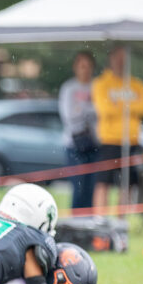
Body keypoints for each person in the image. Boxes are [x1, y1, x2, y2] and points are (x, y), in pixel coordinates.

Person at [92, 46, 143, 211]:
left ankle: (121, 219)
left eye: (124, 59)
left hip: (131, 140)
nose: (121, 63)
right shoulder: (101, 83)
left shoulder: (136, 84)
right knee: (102, 181)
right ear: (111, 59)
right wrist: (131, 106)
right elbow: (104, 109)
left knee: (127, 184)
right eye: (118, 59)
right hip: (109, 140)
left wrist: (119, 105)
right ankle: (100, 219)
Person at [59, 51, 98, 210]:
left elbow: (102, 110)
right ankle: (77, 220)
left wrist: (82, 110)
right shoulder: (69, 88)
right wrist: (90, 111)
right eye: (82, 66)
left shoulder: (97, 86)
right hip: (74, 144)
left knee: (92, 187)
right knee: (78, 186)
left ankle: (89, 220)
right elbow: (69, 115)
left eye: (88, 66)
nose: (85, 70)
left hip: (95, 142)